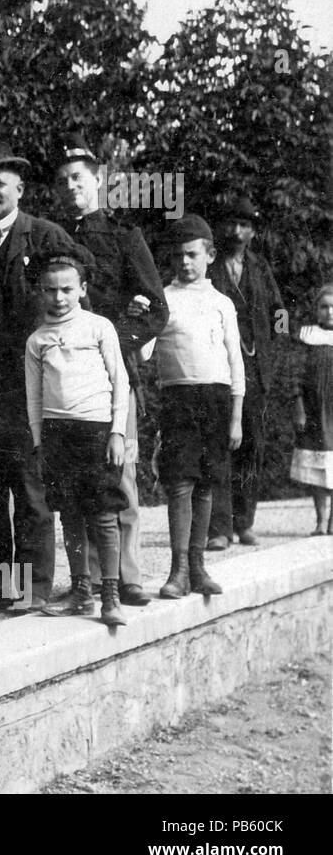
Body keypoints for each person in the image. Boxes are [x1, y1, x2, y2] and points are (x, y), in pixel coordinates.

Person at [0, 139, 75, 612]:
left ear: (19, 188)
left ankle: (34, 585)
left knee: (29, 481)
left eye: (0, 181)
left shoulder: (43, 235)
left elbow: (77, 291)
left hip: (27, 380)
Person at [52, 134, 166, 607]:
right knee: (77, 481)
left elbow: (157, 308)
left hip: (115, 375)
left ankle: (127, 574)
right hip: (66, 377)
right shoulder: (52, 237)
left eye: (78, 177)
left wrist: (121, 344)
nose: (71, 187)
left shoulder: (124, 235)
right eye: (62, 181)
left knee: (121, 472)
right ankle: (90, 581)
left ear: (97, 179)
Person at [25, 251, 130, 626]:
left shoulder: (99, 327)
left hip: (97, 430)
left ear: (83, 289)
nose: (58, 297)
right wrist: (39, 442)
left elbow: (121, 383)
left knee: (102, 514)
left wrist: (117, 432)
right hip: (56, 433)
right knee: (69, 514)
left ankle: (111, 595)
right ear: (40, 291)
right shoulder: (37, 339)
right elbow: (34, 396)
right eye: (50, 290)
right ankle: (81, 591)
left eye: (67, 289)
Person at [152, 214, 244, 598]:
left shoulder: (222, 303)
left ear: (209, 255)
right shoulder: (164, 298)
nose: (185, 262)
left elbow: (235, 361)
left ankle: (198, 567)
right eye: (178, 256)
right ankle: (176, 573)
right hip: (179, 398)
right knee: (180, 485)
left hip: (217, 400)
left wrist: (236, 417)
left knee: (206, 484)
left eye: (192, 254)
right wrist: (144, 317)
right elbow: (143, 352)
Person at [207, 195, 285, 549]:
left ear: (253, 232)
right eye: (232, 225)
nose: (237, 232)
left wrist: (276, 348)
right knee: (222, 444)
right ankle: (220, 528)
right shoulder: (212, 267)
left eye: (244, 226)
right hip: (219, 365)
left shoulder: (260, 267)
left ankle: (245, 522)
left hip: (255, 368)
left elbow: (279, 310)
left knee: (252, 444)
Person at [289, 283, 333, 535]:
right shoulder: (307, 336)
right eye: (324, 307)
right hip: (316, 412)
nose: (329, 312)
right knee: (318, 470)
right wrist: (299, 407)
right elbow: (296, 375)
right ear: (316, 310)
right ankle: (320, 520)